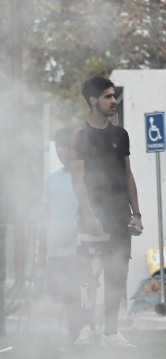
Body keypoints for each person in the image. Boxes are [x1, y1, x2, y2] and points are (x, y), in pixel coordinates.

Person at [69, 76, 143, 347]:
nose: (113, 101)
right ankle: (88, 331)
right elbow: (77, 180)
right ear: (93, 100)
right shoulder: (79, 135)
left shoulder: (120, 133)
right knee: (88, 278)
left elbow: (127, 174)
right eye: (108, 96)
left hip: (119, 217)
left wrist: (137, 214)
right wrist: (90, 215)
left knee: (117, 275)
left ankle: (111, 333)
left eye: (114, 96)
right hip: (92, 218)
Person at [40, 128, 90, 343]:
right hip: (55, 249)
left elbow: (93, 212)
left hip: (78, 246)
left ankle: (86, 336)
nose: (60, 150)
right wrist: (43, 250)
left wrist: (71, 232)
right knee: (67, 297)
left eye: (65, 145)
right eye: (57, 146)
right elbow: (46, 216)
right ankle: (76, 338)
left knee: (82, 294)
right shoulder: (51, 180)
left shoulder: (85, 176)